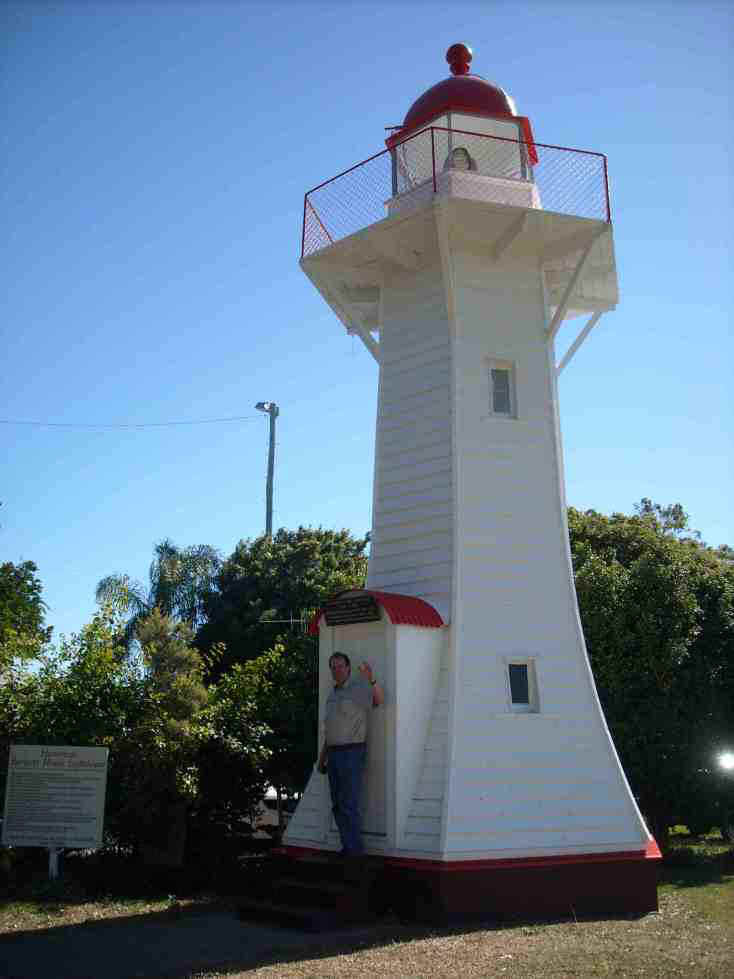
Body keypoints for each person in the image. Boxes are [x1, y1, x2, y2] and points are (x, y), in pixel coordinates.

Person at [317, 652, 384, 857]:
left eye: (340, 666)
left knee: (349, 802)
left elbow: (378, 699)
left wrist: (371, 679)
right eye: (333, 667)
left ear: (348, 668)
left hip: (352, 752)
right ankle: (347, 847)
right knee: (337, 804)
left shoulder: (356, 689)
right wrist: (322, 759)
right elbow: (330, 730)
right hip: (334, 753)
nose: (336, 671)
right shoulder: (332, 695)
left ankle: (355, 852)